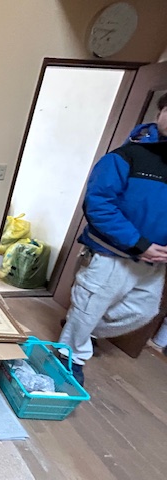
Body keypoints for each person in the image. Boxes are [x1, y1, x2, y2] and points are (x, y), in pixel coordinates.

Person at [58, 92, 167, 386]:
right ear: (159, 113)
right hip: (112, 253)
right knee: (89, 305)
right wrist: (139, 244)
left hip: (155, 262)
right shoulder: (126, 157)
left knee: (143, 312)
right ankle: (70, 355)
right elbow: (99, 205)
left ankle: (80, 329)